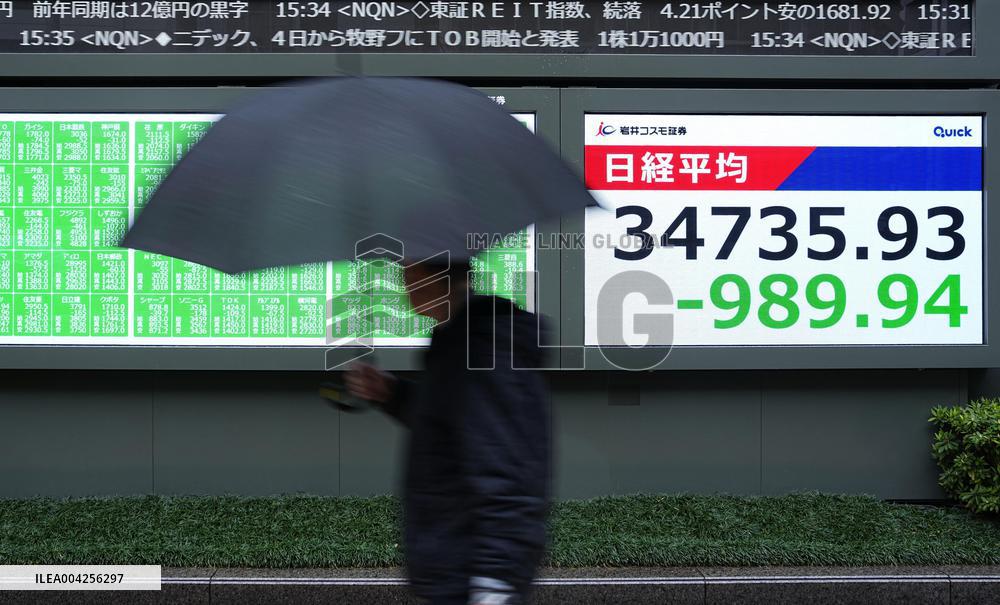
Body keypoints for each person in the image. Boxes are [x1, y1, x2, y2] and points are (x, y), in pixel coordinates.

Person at [346, 259, 551, 605]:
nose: (403, 280)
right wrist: (391, 393)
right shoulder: (456, 344)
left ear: (437, 276)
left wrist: (495, 584)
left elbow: (508, 471)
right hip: (452, 569)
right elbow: (453, 426)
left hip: (473, 576)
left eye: (410, 270)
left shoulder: (484, 350)